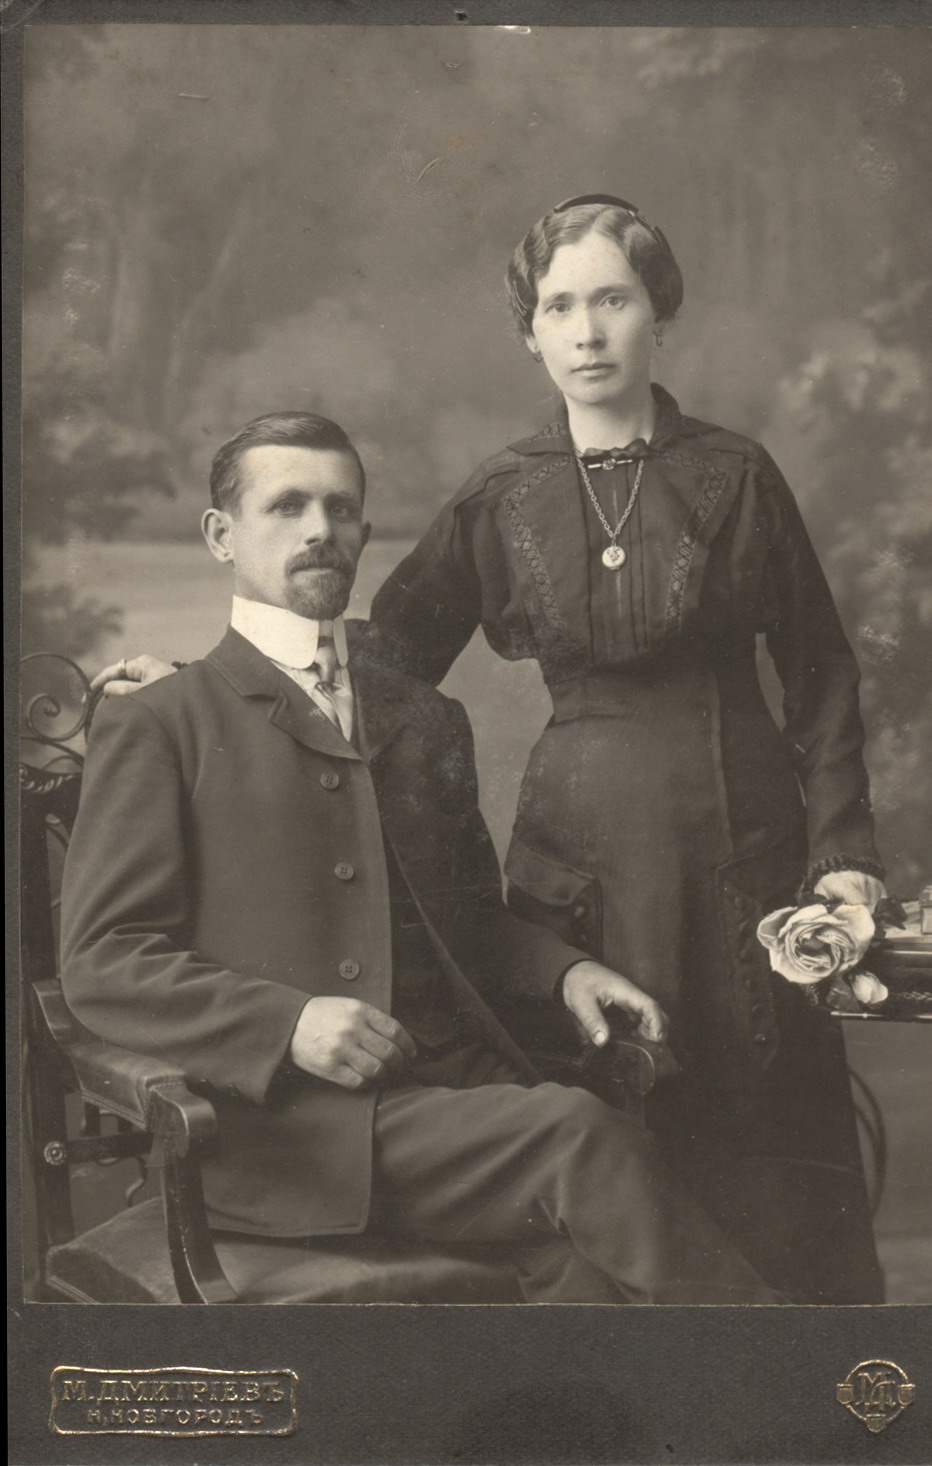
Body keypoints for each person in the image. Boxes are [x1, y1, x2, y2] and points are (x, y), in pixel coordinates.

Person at [95, 195, 886, 1303]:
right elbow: (367, 659)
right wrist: (198, 691)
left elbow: (822, 671)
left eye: (612, 300)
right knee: (607, 1109)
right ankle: (734, 1362)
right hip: (581, 857)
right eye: (559, 307)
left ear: (658, 314)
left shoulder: (737, 474)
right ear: (530, 332)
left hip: (740, 838)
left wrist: (841, 850)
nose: (587, 331)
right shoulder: (504, 492)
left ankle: (796, 1343)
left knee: (754, 1113)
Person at [61, 410, 780, 1306]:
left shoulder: (421, 717)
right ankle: (786, 1370)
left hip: (453, 1098)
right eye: (286, 506)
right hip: (292, 1132)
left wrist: (564, 971)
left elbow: (466, 917)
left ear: (363, 533)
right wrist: (287, 1023)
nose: (320, 529)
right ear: (220, 535)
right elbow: (106, 959)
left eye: (341, 508)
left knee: (586, 1282)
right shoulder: (162, 719)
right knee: (578, 1136)